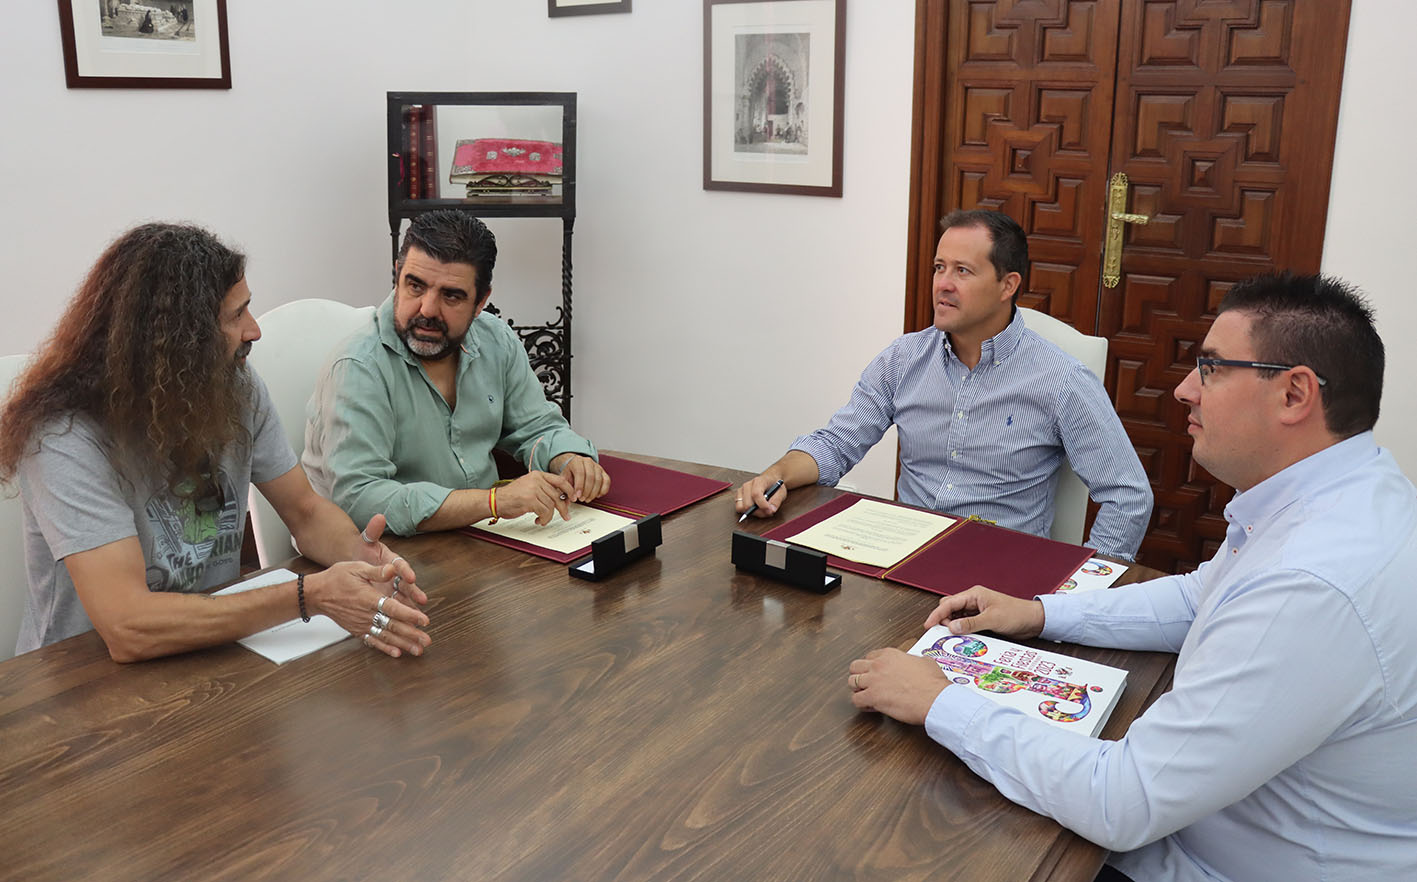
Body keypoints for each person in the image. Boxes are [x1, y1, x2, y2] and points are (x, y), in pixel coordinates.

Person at [848, 273, 1417, 881]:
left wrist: (938, 701)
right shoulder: (1349, 493)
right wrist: (1040, 613)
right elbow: (1202, 596)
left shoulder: (1311, 582)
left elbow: (1124, 800)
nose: (1184, 389)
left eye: (1212, 368)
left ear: (1294, 394)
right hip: (1209, 820)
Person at [0, 223, 430, 662]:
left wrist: (365, 559)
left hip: (212, 648)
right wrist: (310, 595)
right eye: (235, 315)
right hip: (77, 685)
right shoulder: (63, 434)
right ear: (174, 340)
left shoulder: (233, 384)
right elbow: (128, 626)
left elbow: (305, 511)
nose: (255, 330)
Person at [736, 209, 1152, 559]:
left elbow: (1128, 497)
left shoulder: (1062, 381)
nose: (943, 284)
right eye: (939, 268)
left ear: (1008, 285)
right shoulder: (904, 359)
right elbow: (835, 445)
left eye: (963, 271)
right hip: (902, 561)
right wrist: (777, 474)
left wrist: (1077, 596)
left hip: (998, 577)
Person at [303, 210, 608, 536]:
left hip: (478, 539)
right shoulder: (358, 367)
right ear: (397, 275)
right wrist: (493, 502)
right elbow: (361, 500)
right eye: (415, 286)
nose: (427, 309)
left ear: (481, 301)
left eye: (451, 295)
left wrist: (567, 458)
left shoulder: (496, 340)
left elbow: (536, 425)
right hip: (376, 557)